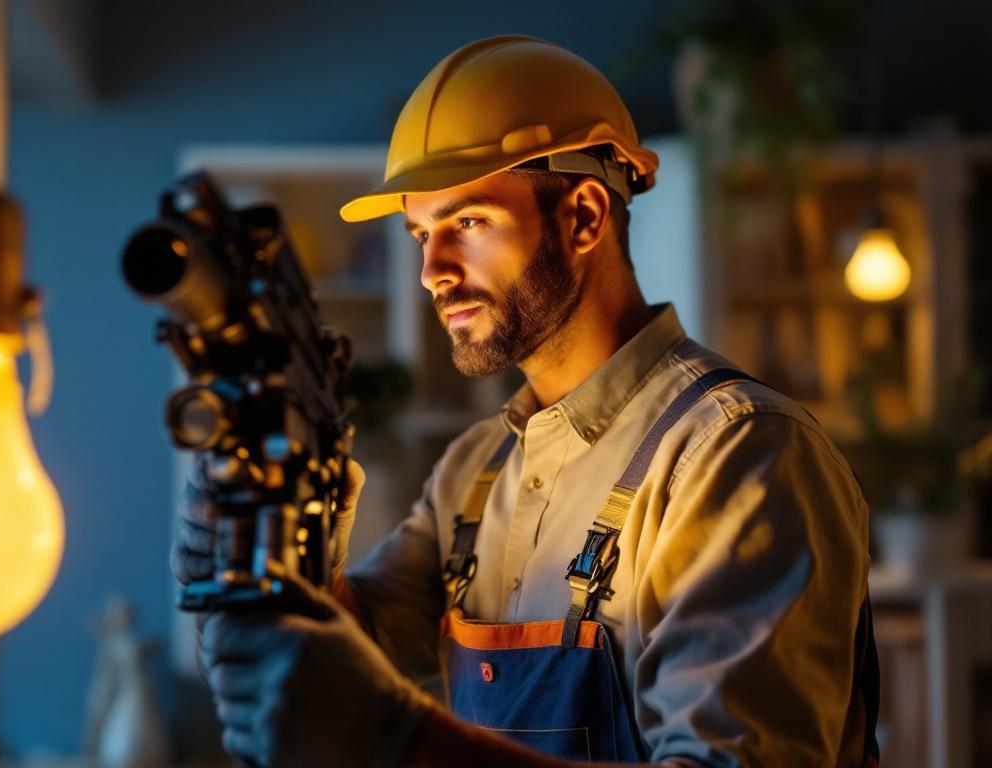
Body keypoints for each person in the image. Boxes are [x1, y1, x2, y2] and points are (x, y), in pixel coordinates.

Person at [174, 36, 880, 767]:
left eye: (468, 223)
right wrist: (266, 561)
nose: (431, 272)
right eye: (421, 234)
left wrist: (400, 743)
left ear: (582, 217)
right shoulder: (475, 471)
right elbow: (348, 661)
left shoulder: (736, 455)